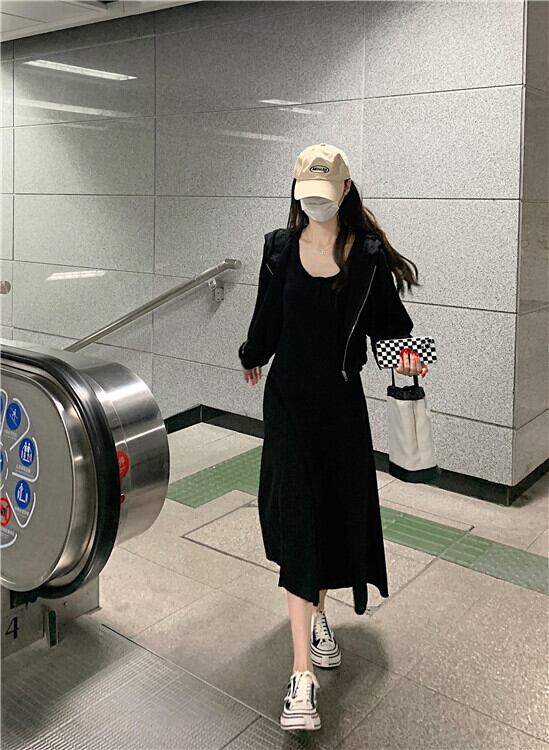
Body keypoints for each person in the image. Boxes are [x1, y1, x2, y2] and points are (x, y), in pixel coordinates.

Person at [237, 143, 429, 732]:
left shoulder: (367, 257)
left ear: (345, 191)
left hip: (342, 412)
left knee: (327, 521)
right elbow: (267, 318)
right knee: (298, 522)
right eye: (307, 196)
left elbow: (392, 330)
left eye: (325, 195)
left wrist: (410, 358)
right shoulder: (278, 248)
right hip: (290, 410)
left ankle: (318, 614)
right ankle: (302, 676)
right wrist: (252, 353)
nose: (315, 205)